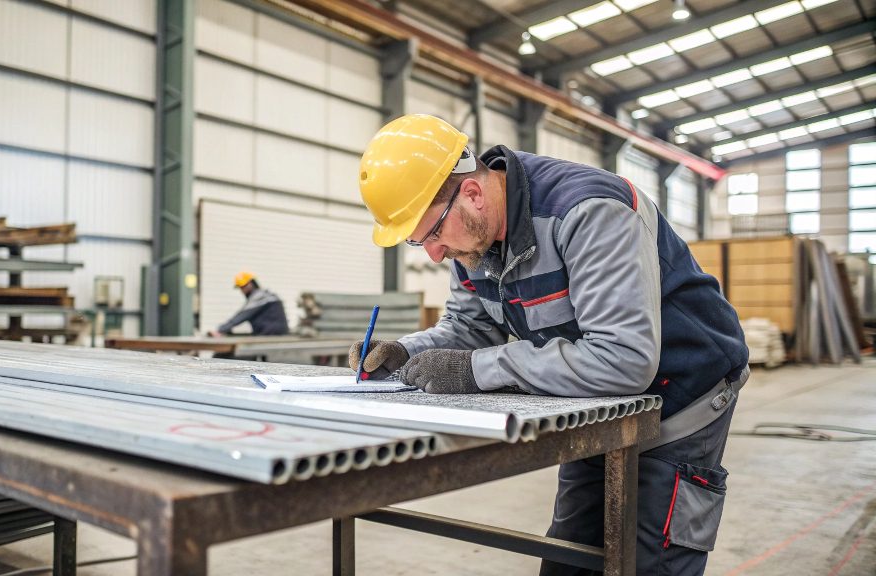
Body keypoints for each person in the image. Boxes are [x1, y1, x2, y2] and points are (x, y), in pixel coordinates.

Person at [349, 114, 749, 575]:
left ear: (473, 194)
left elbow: (623, 361)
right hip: (599, 403)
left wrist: (478, 371)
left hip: (680, 400)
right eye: (423, 243)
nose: (435, 253)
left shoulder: (588, 210)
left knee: (649, 562)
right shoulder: (472, 240)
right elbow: (469, 328)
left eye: (433, 233)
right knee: (569, 558)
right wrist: (405, 353)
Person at [210, 272, 289, 337]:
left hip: (270, 336)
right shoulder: (267, 295)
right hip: (276, 335)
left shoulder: (260, 297)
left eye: (243, 287)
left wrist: (221, 329)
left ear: (251, 284)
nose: (242, 290)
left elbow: (242, 315)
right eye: (240, 288)